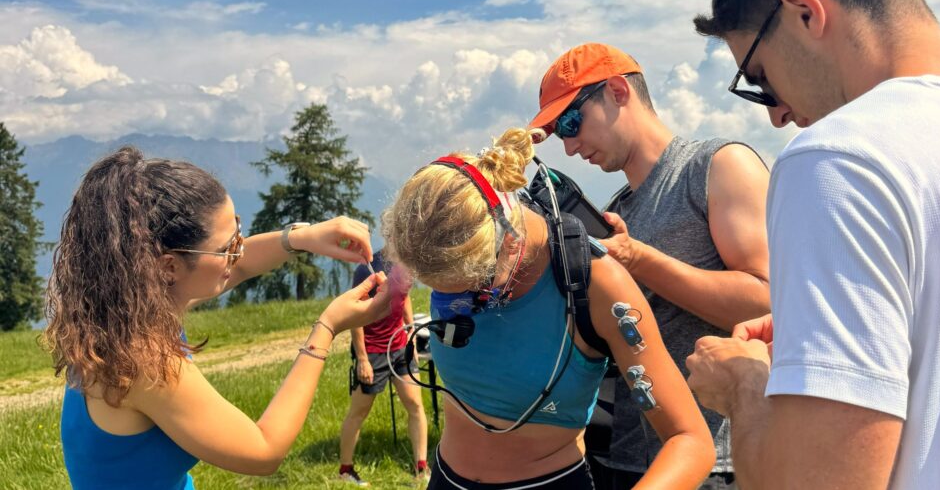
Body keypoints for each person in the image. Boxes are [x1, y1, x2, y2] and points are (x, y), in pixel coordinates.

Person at [683, 0, 940, 490]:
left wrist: (742, 386)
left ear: (803, 10)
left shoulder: (837, 160)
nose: (775, 115)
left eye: (758, 77)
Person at [381, 127, 716, 490]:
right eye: (442, 295)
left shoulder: (596, 284)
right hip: (447, 478)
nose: (462, 305)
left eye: (477, 287)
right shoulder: (445, 233)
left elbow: (690, 441)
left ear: (511, 243)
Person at [45, 146, 390, 489]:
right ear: (169, 266)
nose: (238, 251)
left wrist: (301, 238)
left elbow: (237, 267)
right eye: (228, 247)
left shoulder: (120, 313)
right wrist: (327, 328)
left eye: (238, 232)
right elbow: (264, 451)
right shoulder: (143, 361)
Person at [529, 43, 771, 489]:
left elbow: (767, 301)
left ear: (618, 91)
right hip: (622, 457)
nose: (569, 146)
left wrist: (638, 258)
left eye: (570, 123)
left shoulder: (716, 166)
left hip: (712, 464)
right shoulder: (615, 210)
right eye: (559, 134)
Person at [338, 252, 429, 486]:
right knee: (359, 412)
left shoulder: (407, 263)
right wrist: (362, 359)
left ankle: (421, 467)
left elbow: (404, 297)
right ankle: (345, 470)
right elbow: (354, 315)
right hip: (372, 351)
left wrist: (410, 331)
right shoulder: (367, 269)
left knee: (415, 405)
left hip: (400, 347)